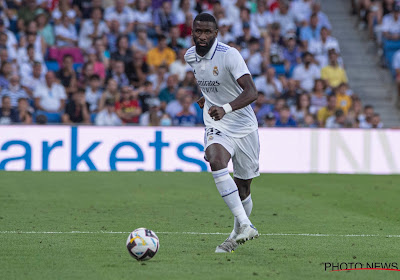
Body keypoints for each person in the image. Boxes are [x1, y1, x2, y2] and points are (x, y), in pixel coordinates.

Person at [185, 13, 259, 253]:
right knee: (216, 161)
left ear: (216, 33)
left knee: (243, 187)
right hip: (216, 124)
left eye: (207, 32)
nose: (202, 36)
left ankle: (234, 237)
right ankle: (246, 225)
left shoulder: (230, 55)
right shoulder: (190, 56)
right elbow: (210, 83)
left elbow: (252, 92)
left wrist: (225, 108)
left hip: (244, 127)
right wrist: (205, 100)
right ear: (192, 31)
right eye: (198, 31)